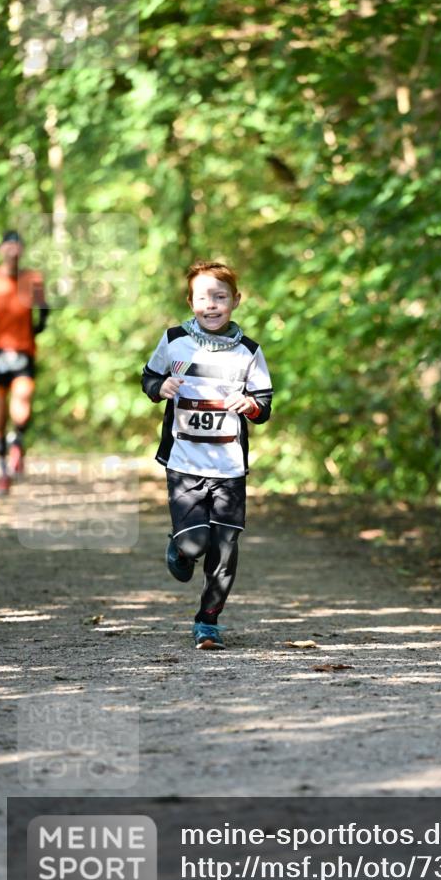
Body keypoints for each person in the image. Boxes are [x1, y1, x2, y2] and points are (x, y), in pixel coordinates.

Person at [141, 260, 273, 651]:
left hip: (229, 466)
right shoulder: (174, 340)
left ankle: (208, 621)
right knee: (196, 544)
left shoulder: (249, 352)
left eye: (220, 297)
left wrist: (248, 403)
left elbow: (264, 405)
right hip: (184, 462)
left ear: (236, 300)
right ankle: (180, 546)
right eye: (203, 298)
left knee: (225, 549)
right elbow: (149, 376)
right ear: (190, 301)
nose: (212, 305)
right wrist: (159, 385)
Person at [0, 230, 49, 495]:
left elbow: (43, 309)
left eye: (17, 246)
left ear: (21, 250)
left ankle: (18, 442)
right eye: (8, 246)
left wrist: (37, 328)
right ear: (1, 250)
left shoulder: (32, 279)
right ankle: (3, 468)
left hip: (23, 349)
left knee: (22, 403)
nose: (12, 251)